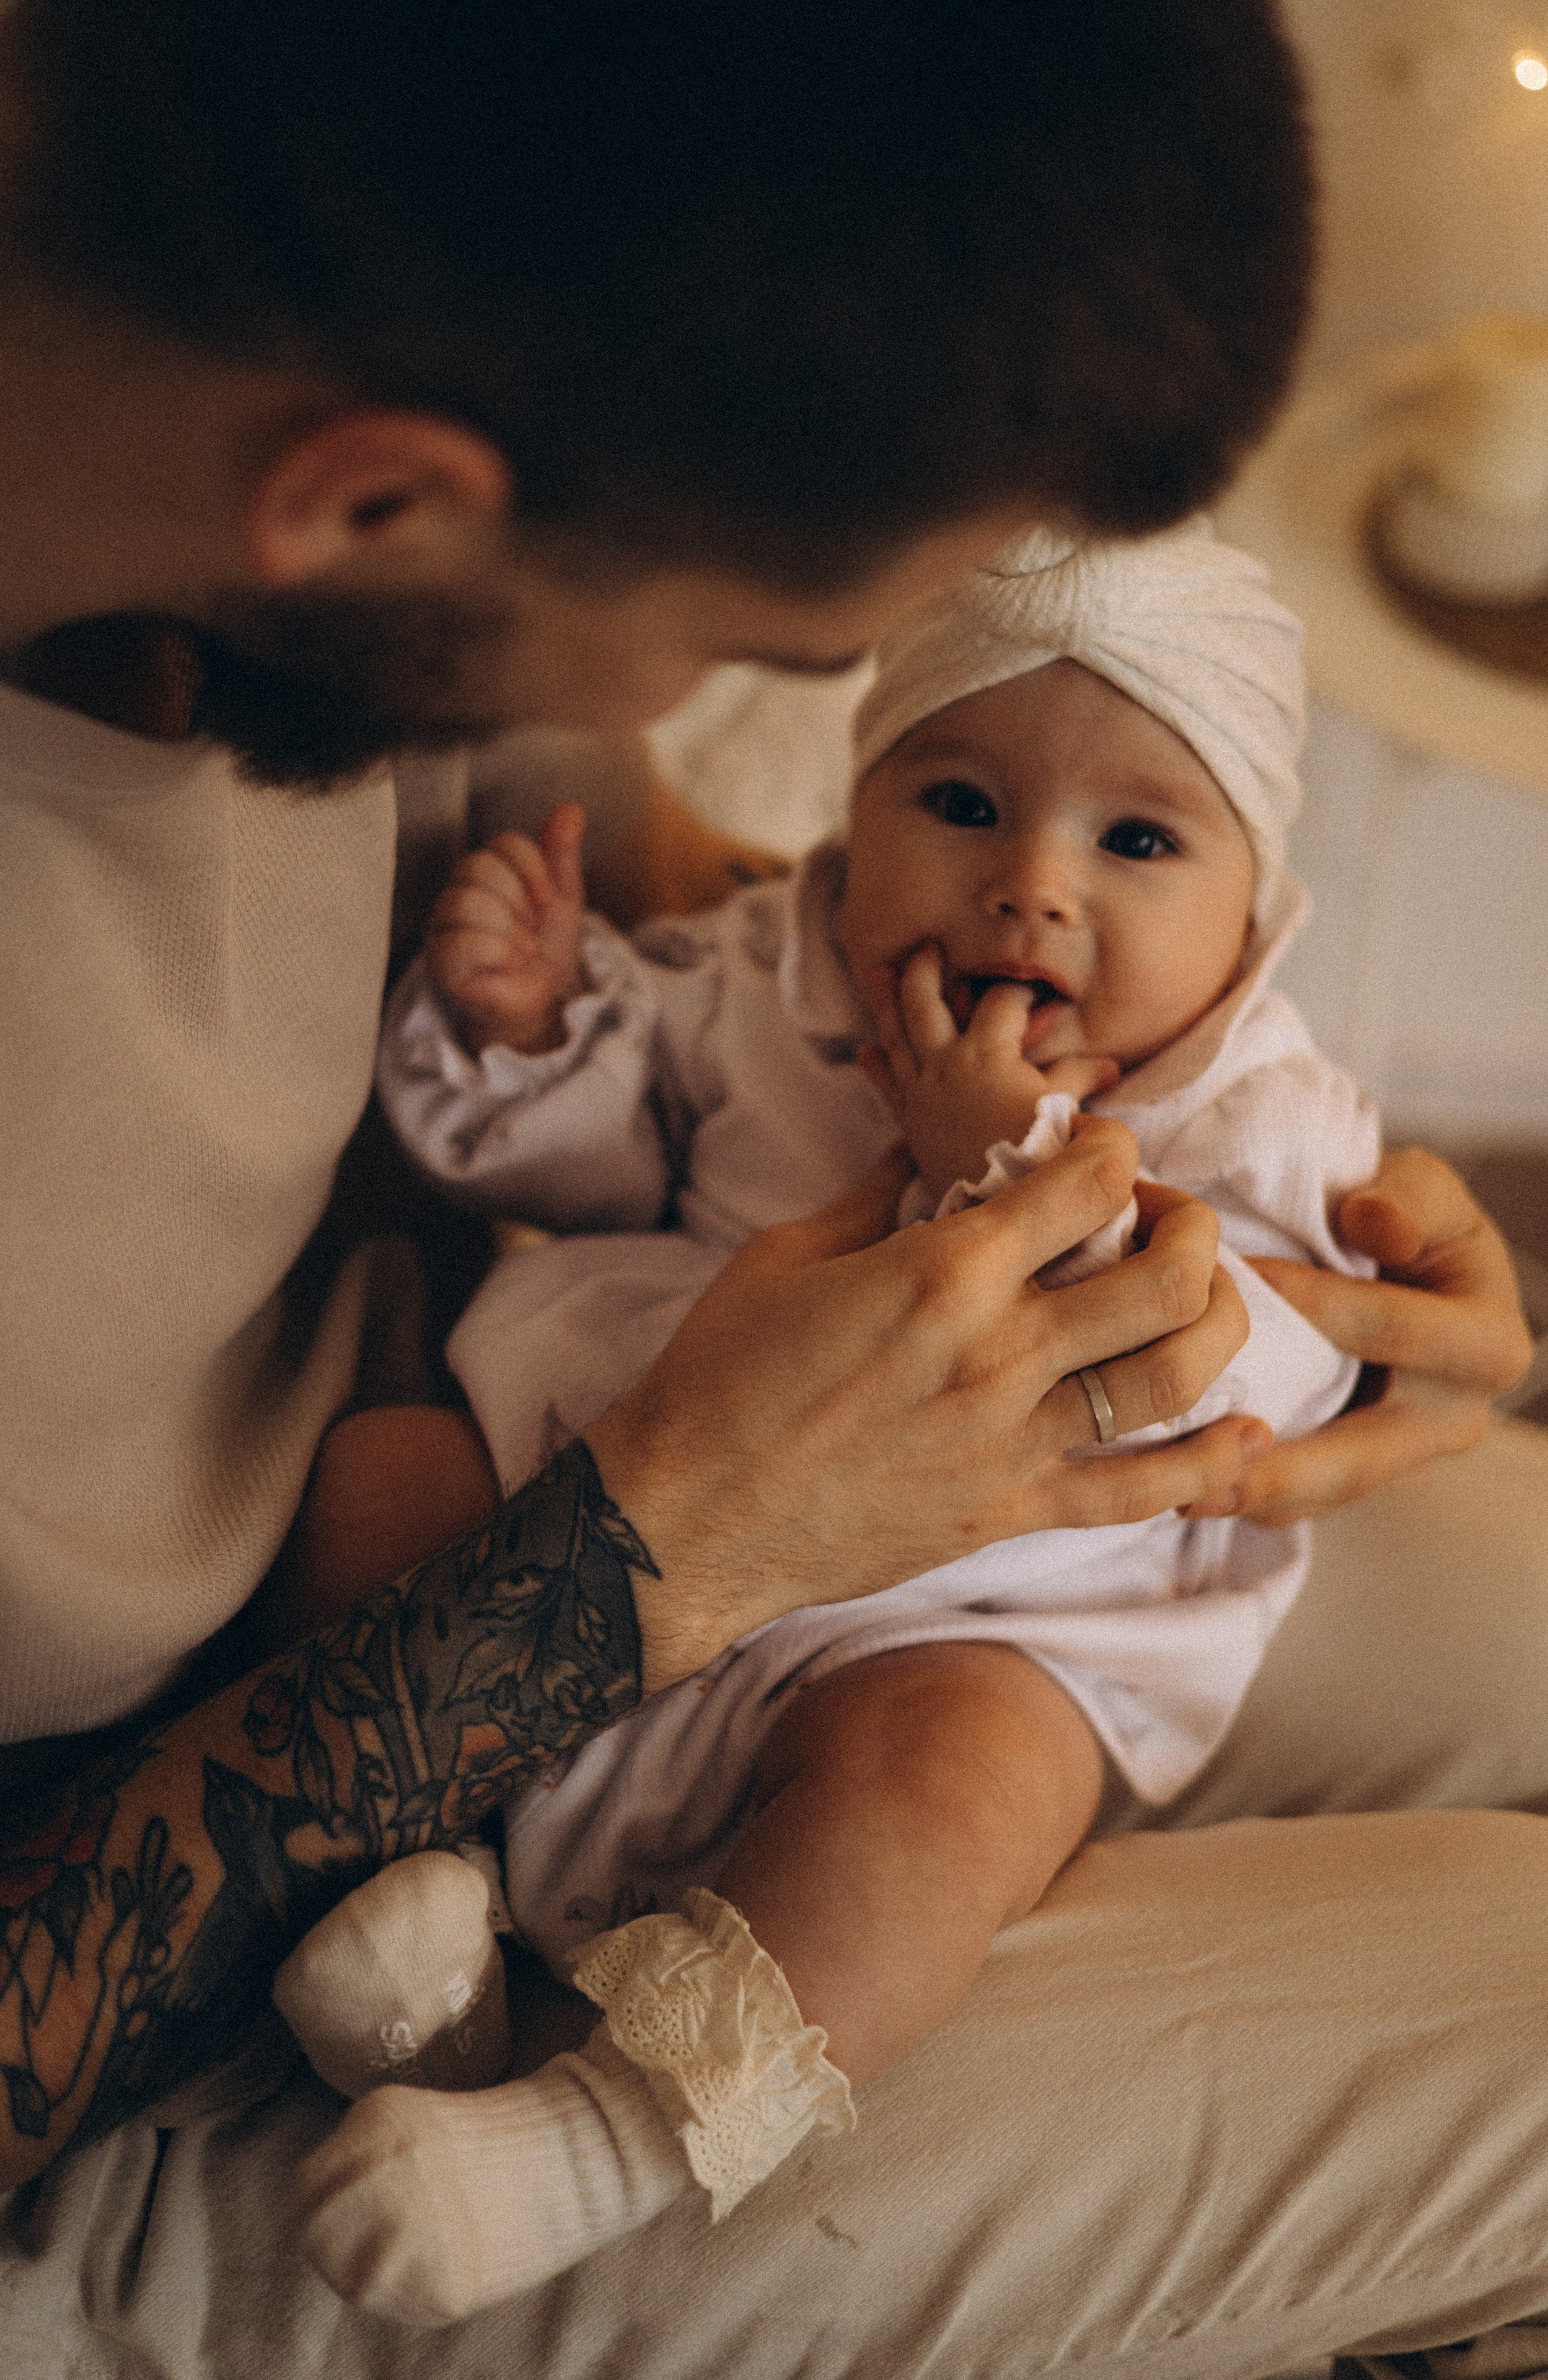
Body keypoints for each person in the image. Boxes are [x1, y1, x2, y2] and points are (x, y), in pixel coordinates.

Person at [0, 4, 1548, 2371]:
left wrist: (1293, 1242)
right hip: (170, 1957)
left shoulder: (346, 286)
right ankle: (560, 2101)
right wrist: (664, 1542)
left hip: (899, 1535)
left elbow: (677, 915)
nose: (1001, 886)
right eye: (768, 652)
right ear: (374, 501)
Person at [260, 520, 1380, 2324]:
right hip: (611, 1471)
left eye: (1139, 840)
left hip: (960, 1610)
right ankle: (420, 1927)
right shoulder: (762, 977)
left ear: (1255, 908)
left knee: (975, 1785)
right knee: (377, 1486)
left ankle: (596, 2137)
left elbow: (1242, 1363)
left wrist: (997, 1168)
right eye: (955, 799)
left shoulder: (1252, 1112)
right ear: (855, 814)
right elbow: (612, 1163)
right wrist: (537, 1029)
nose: (1030, 886)